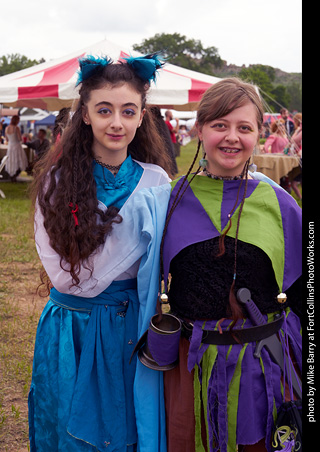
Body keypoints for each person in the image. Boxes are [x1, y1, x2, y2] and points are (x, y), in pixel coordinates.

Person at [48, 78, 302, 452]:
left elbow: (304, 295)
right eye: (220, 125)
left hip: (264, 371)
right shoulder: (164, 201)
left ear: (259, 134)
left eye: (244, 128)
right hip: (190, 374)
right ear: (198, 129)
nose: (231, 137)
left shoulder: (281, 204)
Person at [28, 53, 172, 452]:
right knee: (67, 426)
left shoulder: (157, 182)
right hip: (72, 325)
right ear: (86, 115)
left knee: (127, 425)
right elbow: (63, 276)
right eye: (104, 110)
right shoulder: (56, 183)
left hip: (130, 328)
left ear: (142, 116)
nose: (116, 122)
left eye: (128, 111)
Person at [4, 115, 28, 182]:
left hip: (10, 147)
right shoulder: (16, 128)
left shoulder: (6, 128)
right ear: (16, 121)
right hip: (17, 146)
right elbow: (20, 139)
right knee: (19, 161)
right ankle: (15, 175)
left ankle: (12, 175)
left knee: (11, 161)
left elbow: (7, 139)